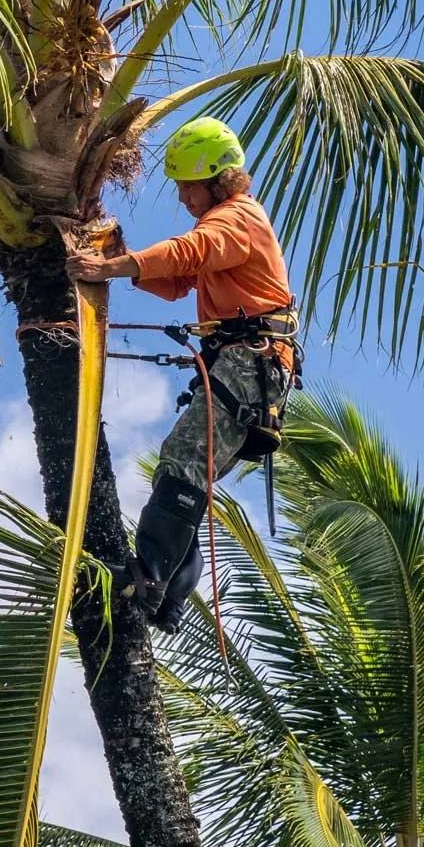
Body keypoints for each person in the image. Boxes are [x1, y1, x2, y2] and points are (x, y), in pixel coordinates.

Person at [70, 118, 297, 629]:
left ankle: (145, 579)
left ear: (217, 180)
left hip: (249, 363)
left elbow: (189, 253)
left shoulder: (239, 219)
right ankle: (169, 598)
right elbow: (178, 282)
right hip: (245, 367)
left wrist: (112, 268)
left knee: (181, 463)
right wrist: (120, 258)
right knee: (190, 475)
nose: (182, 198)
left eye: (188, 187)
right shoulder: (224, 226)